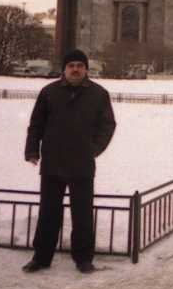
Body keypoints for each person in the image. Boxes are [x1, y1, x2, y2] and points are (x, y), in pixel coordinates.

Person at [22, 49, 116, 274]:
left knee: (82, 215)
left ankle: (83, 259)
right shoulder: (49, 92)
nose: (75, 69)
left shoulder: (98, 94)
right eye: (71, 65)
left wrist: (93, 148)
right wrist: (32, 150)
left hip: (81, 164)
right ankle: (41, 257)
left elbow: (107, 125)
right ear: (64, 69)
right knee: (48, 214)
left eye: (79, 66)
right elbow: (36, 124)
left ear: (86, 69)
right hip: (52, 162)